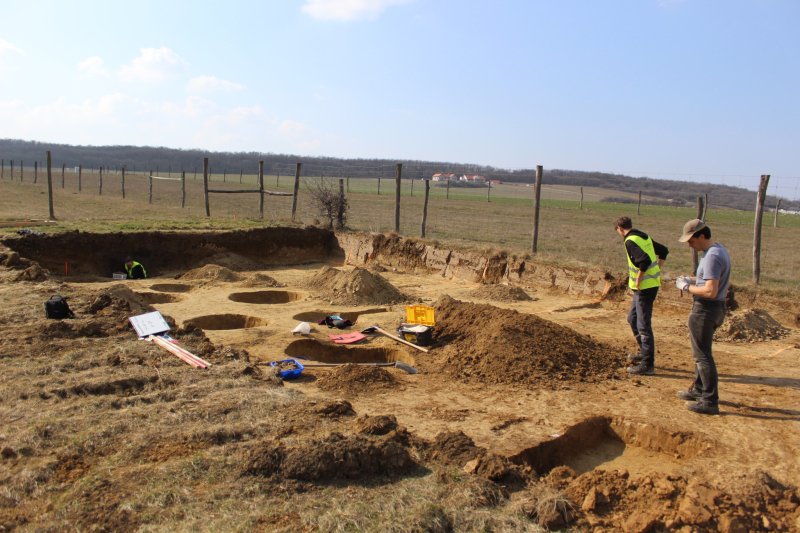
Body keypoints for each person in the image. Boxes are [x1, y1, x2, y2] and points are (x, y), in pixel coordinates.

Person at [674, 219, 731, 415]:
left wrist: (686, 287)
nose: (689, 245)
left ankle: (709, 400)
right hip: (715, 309)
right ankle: (699, 390)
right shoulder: (718, 250)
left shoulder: (712, 257)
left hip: (705, 309)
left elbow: (710, 291)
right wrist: (689, 279)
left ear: (702, 235)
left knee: (702, 357)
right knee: (702, 353)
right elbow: (710, 280)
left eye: (691, 240)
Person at [614, 216, 669, 375]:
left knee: (643, 325)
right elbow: (664, 250)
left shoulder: (630, 241)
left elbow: (643, 261)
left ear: (619, 228)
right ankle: (644, 353)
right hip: (647, 286)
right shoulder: (643, 236)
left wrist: (639, 278)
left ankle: (647, 365)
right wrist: (658, 269)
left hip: (645, 288)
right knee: (632, 319)